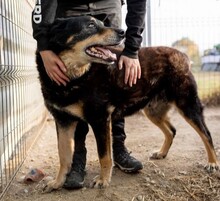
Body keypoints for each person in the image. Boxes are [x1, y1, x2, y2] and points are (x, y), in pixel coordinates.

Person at [32, 0, 147, 189]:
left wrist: (132, 48)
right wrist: (44, 47)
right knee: (67, 91)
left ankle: (118, 150)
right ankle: (76, 162)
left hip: (109, 5)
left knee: (111, 89)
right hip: (68, 9)